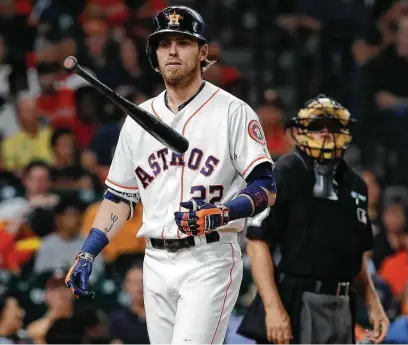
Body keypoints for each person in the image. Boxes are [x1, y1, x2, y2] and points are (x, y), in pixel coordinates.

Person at [65, 5, 277, 344]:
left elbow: (266, 187)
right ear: (154, 53)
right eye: (164, 44)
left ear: (203, 51)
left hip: (210, 257)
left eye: (183, 42)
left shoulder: (233, 112)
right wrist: (88, 250)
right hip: (155, 261)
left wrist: (224, 212)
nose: (173, 51)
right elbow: (119, 198)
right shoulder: (139, 118)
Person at [237, 95, 389, 344]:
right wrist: (273, 308)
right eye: (317, 127)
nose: (326, 134)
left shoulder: (356, 183)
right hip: (294, 300)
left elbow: (356, 253)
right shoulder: (282, 173)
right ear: (301, 131)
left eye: (334, 127)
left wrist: (373, 303)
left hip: (342, 302)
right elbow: (257, 242)